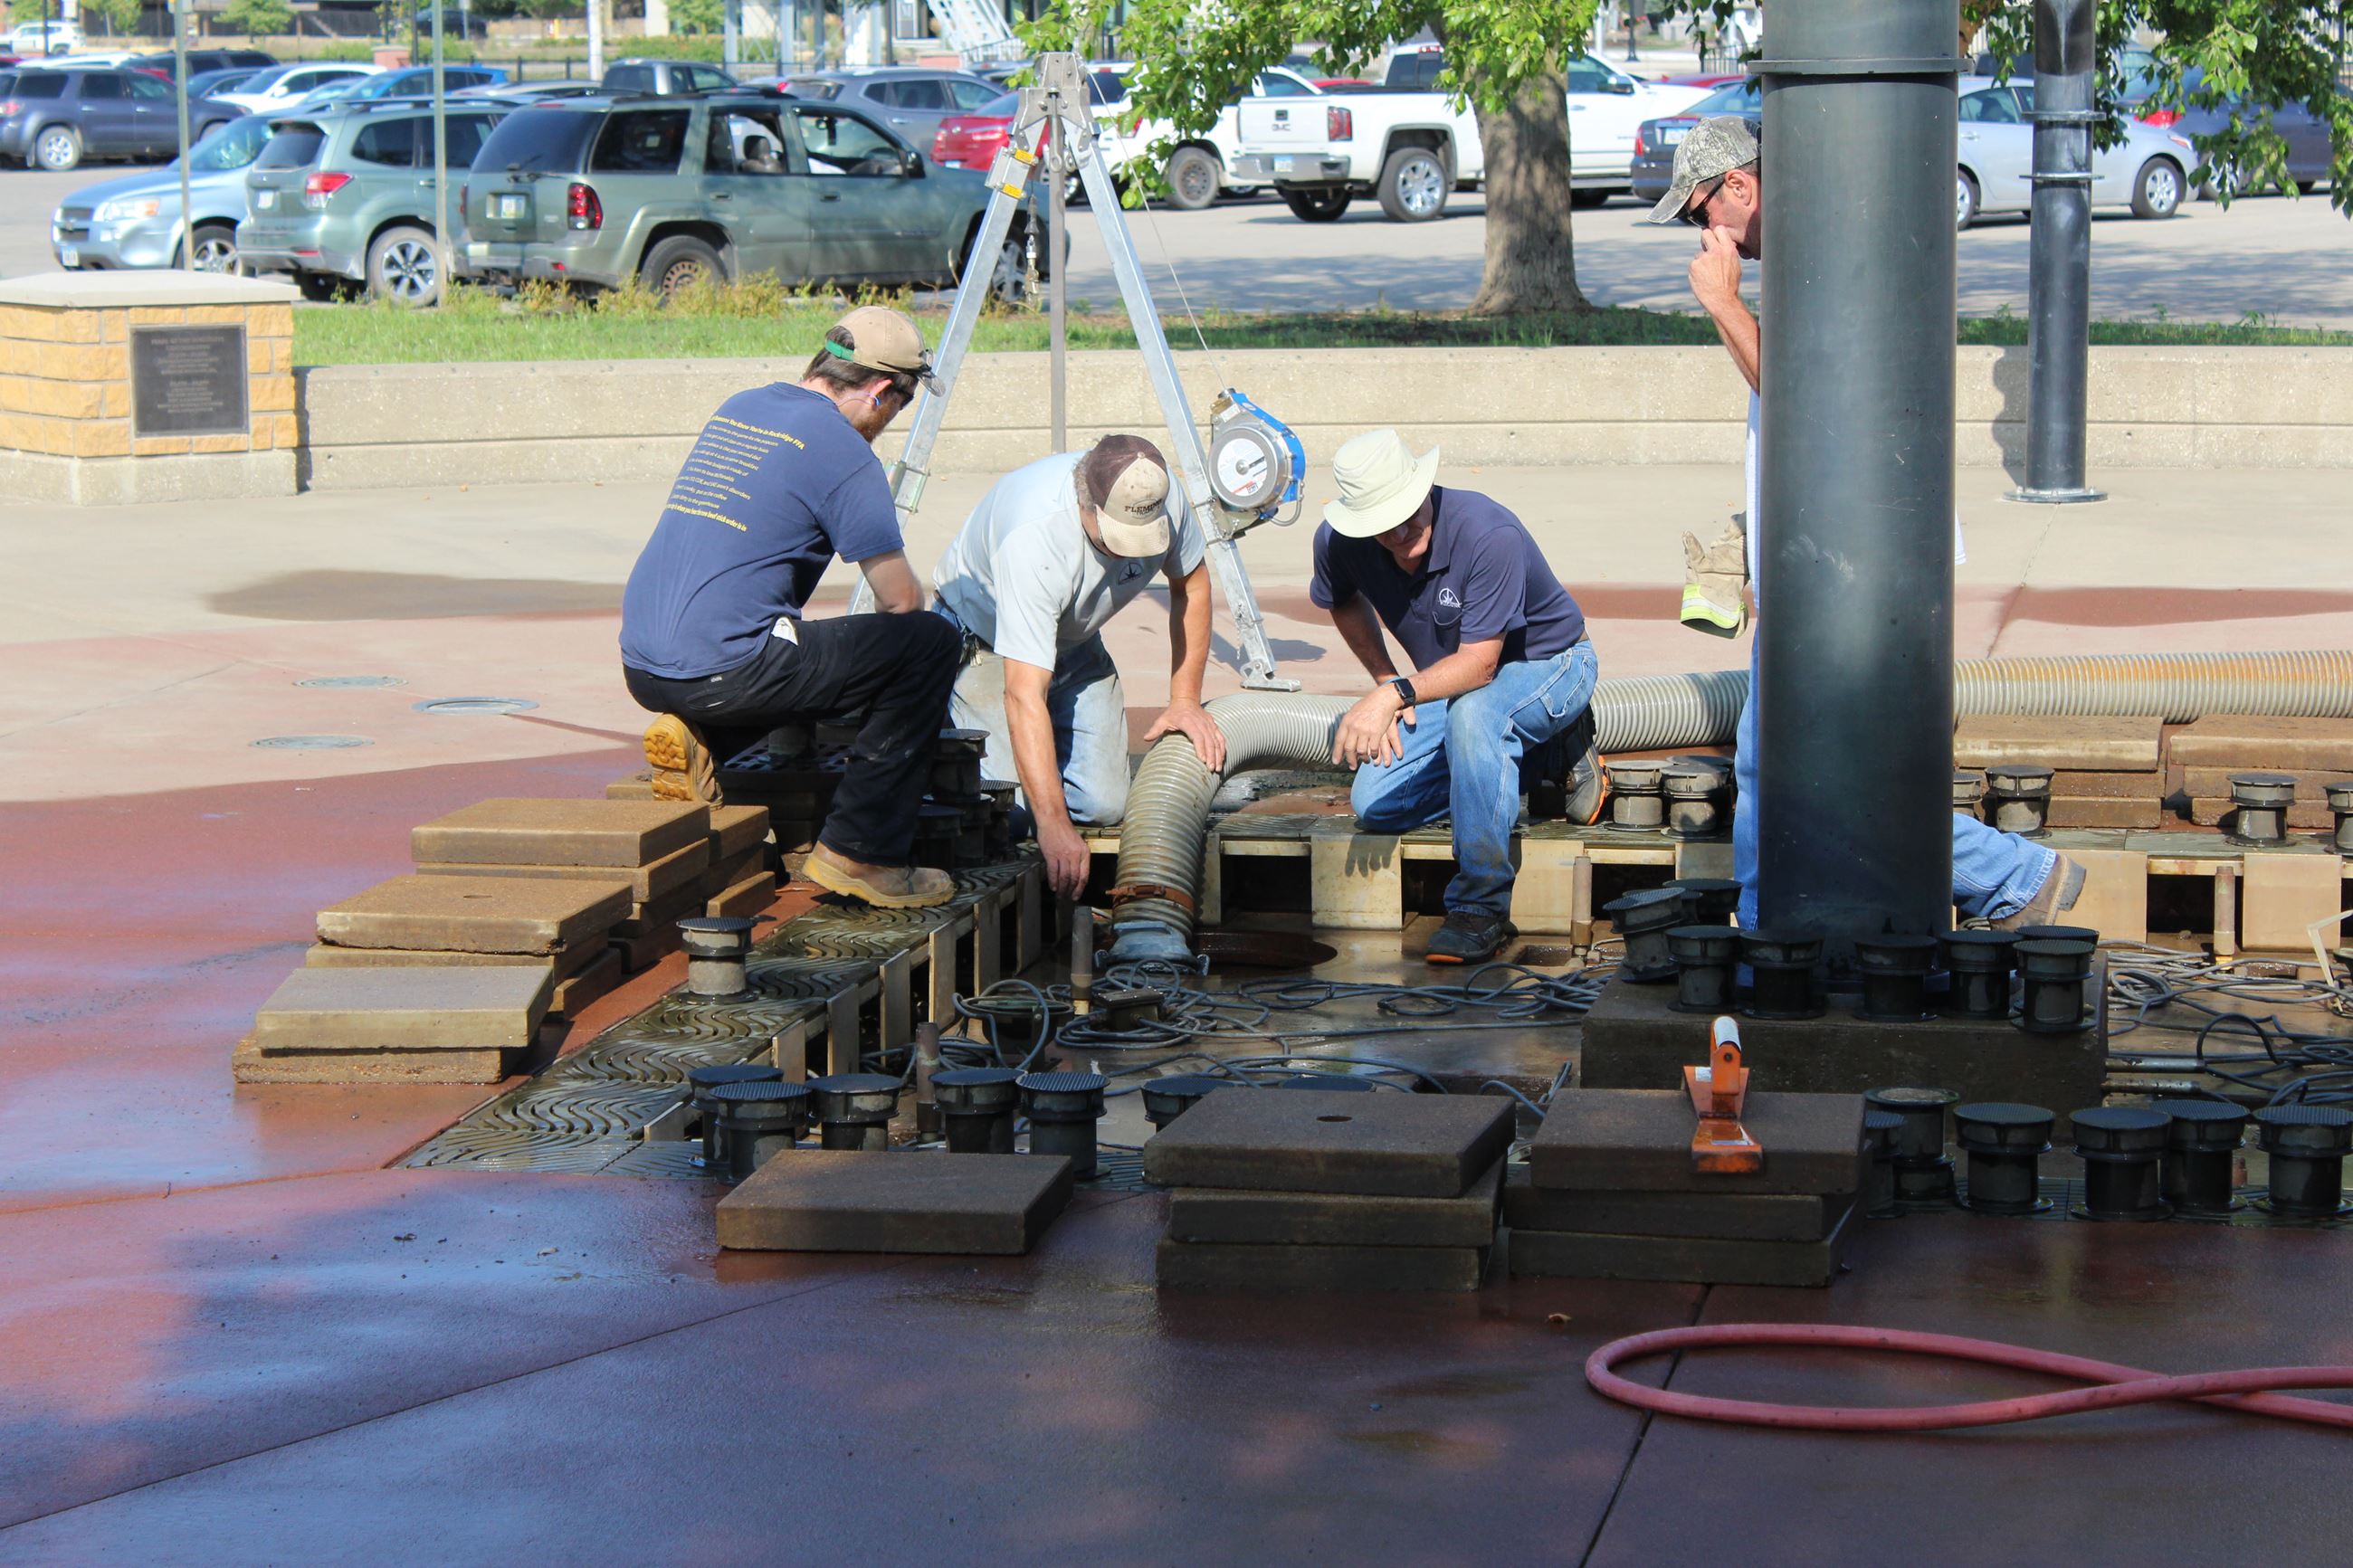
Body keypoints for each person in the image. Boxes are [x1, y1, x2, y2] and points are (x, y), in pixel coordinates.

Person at [1649, 117, 2085, 929]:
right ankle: (1782, 909)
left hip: (1853, 558)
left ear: (1739, 185)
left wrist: (1717, 304)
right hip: (1842, 549)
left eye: (1700, 209)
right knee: (1805, 756)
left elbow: (1800, 400)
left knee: (1786, 758)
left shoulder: (1819, 255)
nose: (1704, 232)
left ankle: (1777, 917)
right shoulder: (1820, 247)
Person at [619, 305, 964, 909]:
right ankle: (861, 852)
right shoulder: (845, 450)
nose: (885, 426)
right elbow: (900, 599)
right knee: (927, 643)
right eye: (895, 412)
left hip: (645, 664)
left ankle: (704, 743)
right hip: (726, 669)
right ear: (881, 391)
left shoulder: (742, 407)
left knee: (786, 642)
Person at [1310, 429, 1605, 965]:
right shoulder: (1337, 542)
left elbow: (1481, 664)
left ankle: (1480, 905)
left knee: (1476, 717)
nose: (1401, 531)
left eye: (1408, 511)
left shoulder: (1487, 531)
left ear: (1423, 488)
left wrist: (1397, 696)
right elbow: (1342, 600)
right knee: (1375, 803)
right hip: (1455, 682)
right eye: (1382, 523)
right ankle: (1539, 756)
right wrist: (1383, 680)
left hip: (1551, 664)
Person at [929, 434, 1225, 901]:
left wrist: (1185, 699)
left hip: (1076, 641)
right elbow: (1023, 694)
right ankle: (934, 752)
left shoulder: (1156, 494)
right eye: (1117, 539)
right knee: (1015, 815)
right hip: (988, 642)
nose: (1129, 554)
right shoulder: (1036, 537)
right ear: (1085, 502)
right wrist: (1053, 826)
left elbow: (1192, 584)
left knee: (1106, 806)